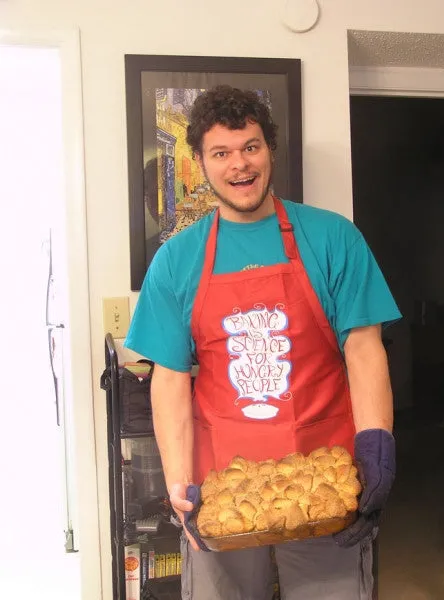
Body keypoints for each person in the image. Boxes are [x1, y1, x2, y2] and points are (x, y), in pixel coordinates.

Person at [125, 85, 401, 600]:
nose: (239, 165)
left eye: (250, 146)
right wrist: (179, 482)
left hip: (326, 481)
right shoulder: (177, 260)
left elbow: (363, 349)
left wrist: (376, 445)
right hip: (222, 489)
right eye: (221, 152)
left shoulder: (333, 238)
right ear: (201, 163)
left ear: (270, 149)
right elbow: (169, 380)